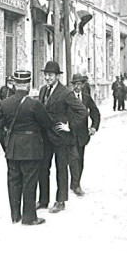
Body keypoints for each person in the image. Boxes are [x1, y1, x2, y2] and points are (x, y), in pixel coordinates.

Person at [0, 71, 55, 225]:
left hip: (12, 148)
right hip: (31, 147)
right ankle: (29, 217)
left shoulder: (5, 103)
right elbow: (47, 124)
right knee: (30, 181)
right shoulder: (35, 104)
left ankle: (15, 215)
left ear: (15, 85)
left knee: (13, 181)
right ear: (28, 85)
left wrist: (7, 147)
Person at [36, 61, 87, 214]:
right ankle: (43, 200)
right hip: (45, 138)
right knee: (43, 169)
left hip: (61, 138)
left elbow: (82, 112)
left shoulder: (65, 92)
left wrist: (69, 126)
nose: (47, 78)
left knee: (61, 169)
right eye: (45, 75)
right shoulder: (43, 90)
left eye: (50, 75)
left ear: (57, 76)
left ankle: (60, 201)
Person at [70, 73, 101, 196]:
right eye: (75, 84)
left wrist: (93, 127)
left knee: (80, 160)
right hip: (70, 134)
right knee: (73, 159)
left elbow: (95, 113)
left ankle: (75, 182)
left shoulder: (86, 98)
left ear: (83, 85)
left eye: (79, 84)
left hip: (82, 135)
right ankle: (76, 185)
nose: (77, 86)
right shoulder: (68, 97)